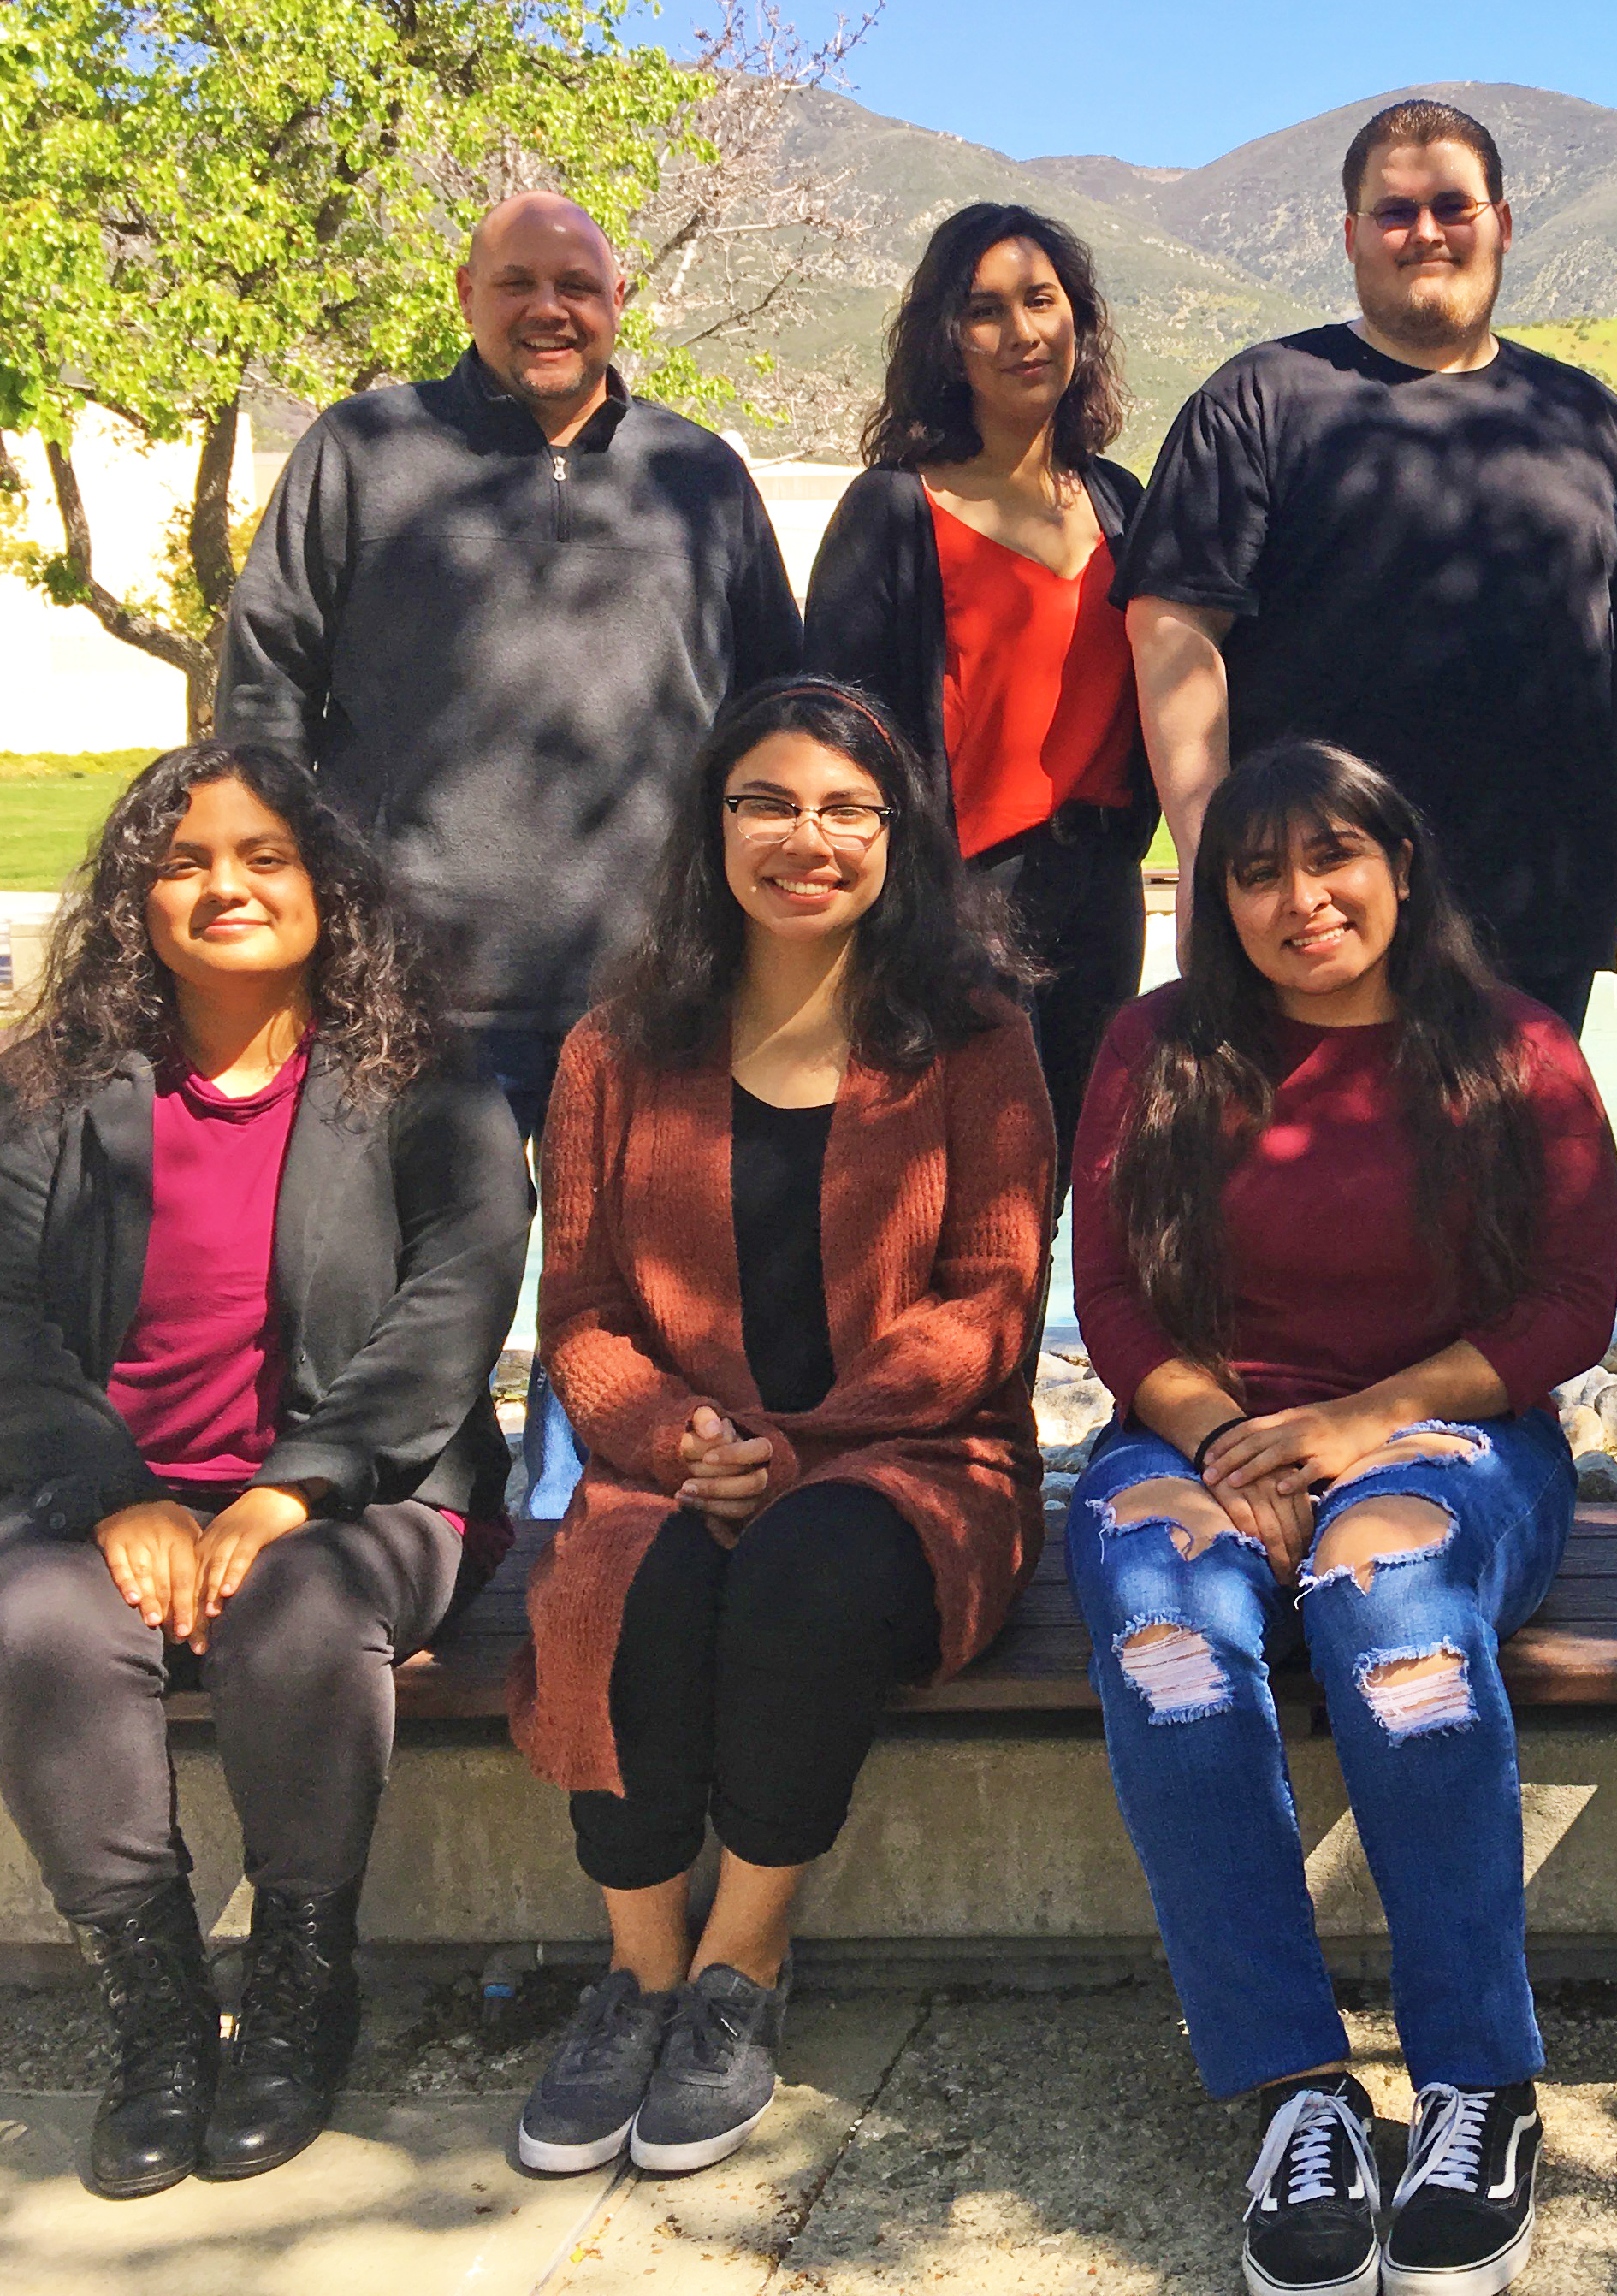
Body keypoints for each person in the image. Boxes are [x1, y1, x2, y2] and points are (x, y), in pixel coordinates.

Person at [0, 744, 529, 2198]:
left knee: (302, 1608)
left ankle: (305, 1984)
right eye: (184, 860)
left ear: (326, 887)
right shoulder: (58, 1082)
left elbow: (458, 1298)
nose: (224, 883)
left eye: (263, 854)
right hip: (89, 1486)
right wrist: (111, 1487)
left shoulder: (424, 1085)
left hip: (360, 1493)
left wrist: (289, 1484)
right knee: (46, 1622)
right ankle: (161, 2010)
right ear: (139, 896)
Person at [1063, 739, 1617, 2296]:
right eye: (1257, 872)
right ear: (1216, 901)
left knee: (1394, 1619)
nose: (1303, 898)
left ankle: (1475, 2086)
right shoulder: (1154, 1047)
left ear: (1399, 861)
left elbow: (1571, 1302)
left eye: (1334, 857)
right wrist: (1237, 1435)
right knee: (1170, 1631)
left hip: (1447, 1433)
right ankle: (1295, 2089)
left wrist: (1350, 1428)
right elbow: (1109, 1295)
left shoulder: (1507, 1044)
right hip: (1203, 1431)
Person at [506, 680, 1048, 2181]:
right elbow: (581, 1311)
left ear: (897, 835)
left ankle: (742, 1963)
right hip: (671, 1454)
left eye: (844, 808)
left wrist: (800, 1444)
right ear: (713, 824)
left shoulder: (973, 1037)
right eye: (767, 802)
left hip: (920, 1457)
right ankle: (641, 1975)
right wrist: (683, 1437)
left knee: (804, 1568)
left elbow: (996, 1298)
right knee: (630, 1578)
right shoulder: (615, 1048)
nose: (804, 837)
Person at [220, 190, 807, 1512]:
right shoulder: (364, 453)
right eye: (520, 283)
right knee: (402, 1283)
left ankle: (576, 1534)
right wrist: (277, 889)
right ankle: (409, 1529)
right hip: (414, 982)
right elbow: (265, 686)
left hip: (651, 986)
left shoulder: (697, 473)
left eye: (581, 285)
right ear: (469, 298)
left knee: (635, 1299)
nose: (552, 309)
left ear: (616, 304)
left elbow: (775, 710)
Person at [1116, 95, 1617, 1036]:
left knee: (1518, 1183)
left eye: (1453, 207)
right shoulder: (1260, 401)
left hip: (1538, 921)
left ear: (1503, 226)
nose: (1424, 232)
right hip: (1318, 924)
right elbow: (1174, 632)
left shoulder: (1589, 425)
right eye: (1395, 212)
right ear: (1352, 236)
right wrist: (1204, 858)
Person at [804, 203, 1152, 1205]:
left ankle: (1028, 1365)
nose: (1021, 333)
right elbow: (831, 729)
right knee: (964, 1195)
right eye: (985, 311)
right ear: (949, 343)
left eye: (1040, 301)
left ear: (1078, 321)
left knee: (1072, 1187)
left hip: (1098, 895)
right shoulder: (893, 510)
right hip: (956, 902)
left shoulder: (1122, 502)